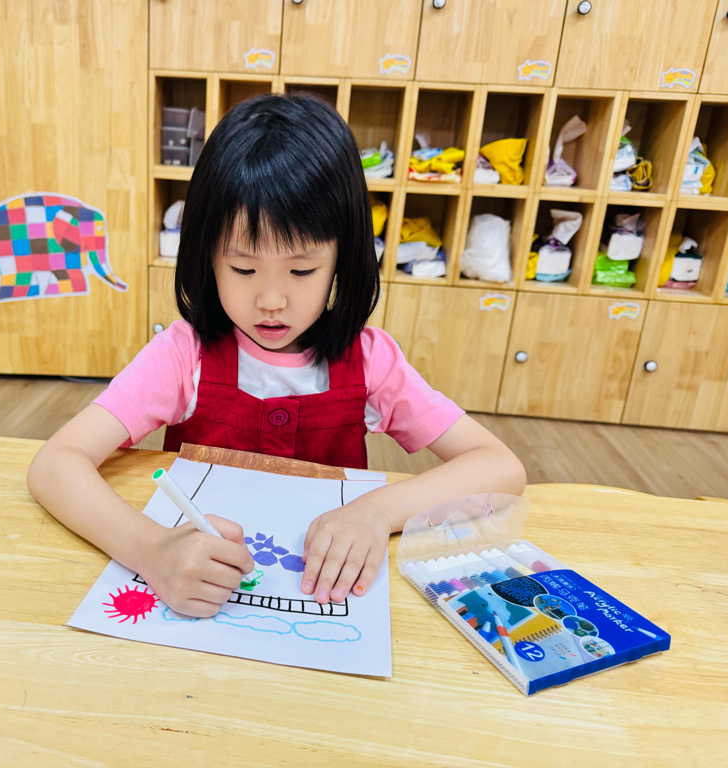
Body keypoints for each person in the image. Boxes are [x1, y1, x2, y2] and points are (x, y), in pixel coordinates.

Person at [28, 93, 526, 618]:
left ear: (343, 259)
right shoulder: (183, 355)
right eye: (243, 269)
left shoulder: (370, 362)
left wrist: (377, 512)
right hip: (204, 605)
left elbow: (500, 469)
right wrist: (151, 550)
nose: (271, 300)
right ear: (206, 256)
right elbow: (55, 464)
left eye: (302, 271)